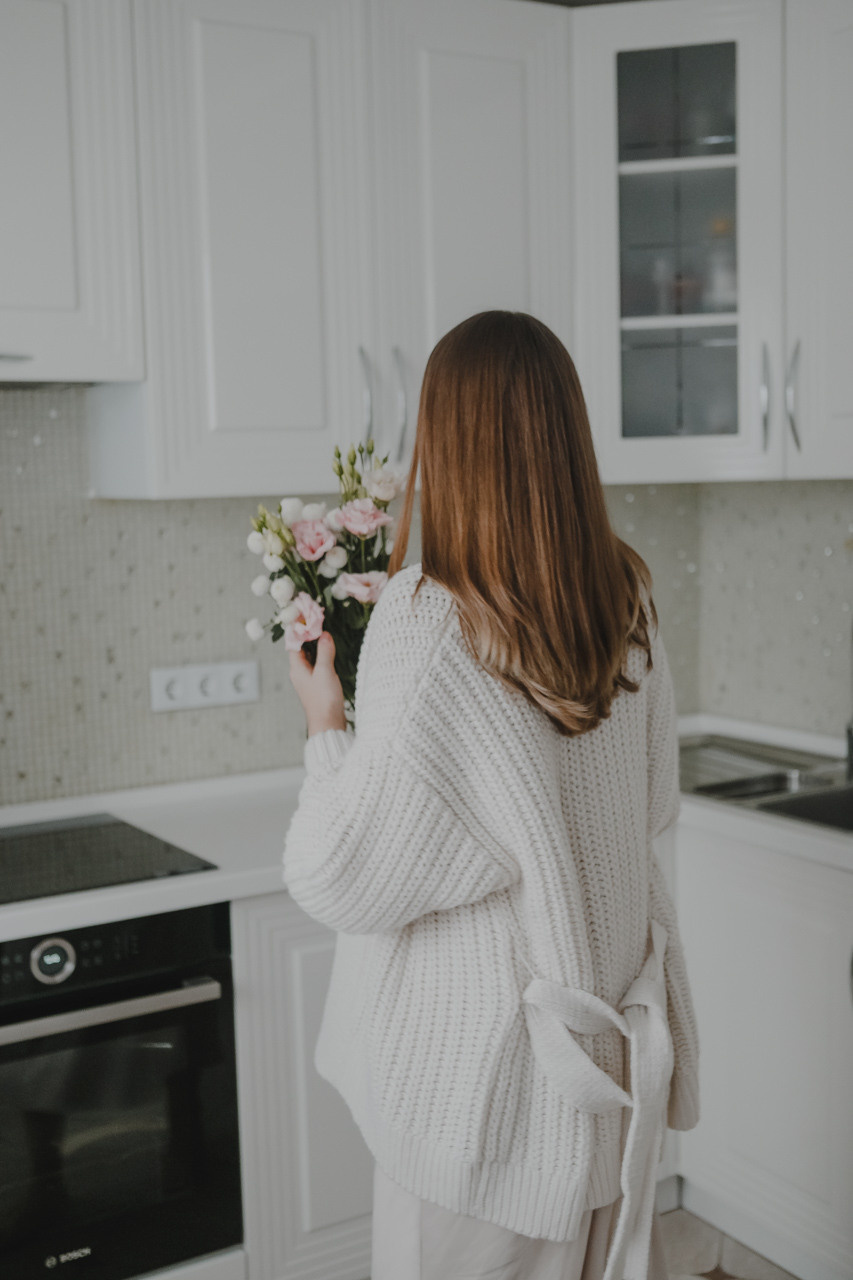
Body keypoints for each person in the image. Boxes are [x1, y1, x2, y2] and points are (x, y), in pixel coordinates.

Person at [283, 311, 700, 1280]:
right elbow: (653, 800)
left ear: (445, 439)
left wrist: (324, 720)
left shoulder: (427, 619)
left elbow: (342, 874)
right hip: (601, 1067)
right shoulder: (622, 588)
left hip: (488, 1099)